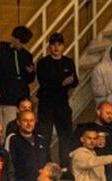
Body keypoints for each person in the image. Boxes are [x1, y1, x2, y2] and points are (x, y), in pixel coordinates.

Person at [36, 33, 78, 169]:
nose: (56, 47)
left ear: (63, 46)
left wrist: (69, 81)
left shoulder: (68, 62)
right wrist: (62, 82)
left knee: (65, 136)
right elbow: (45, 83)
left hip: (62, 104)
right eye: (53, 44)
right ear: (49, 46)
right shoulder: (43, 63)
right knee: (45, 136)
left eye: (59, 44)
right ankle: (45, 165)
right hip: (46, 105)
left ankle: (65, 166)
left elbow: (75, 80)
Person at [0, 26, 35, 129]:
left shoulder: (27, 55)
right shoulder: (1, 54)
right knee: (8, 127)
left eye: (22, 42)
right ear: (13, 38)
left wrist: (31, 72)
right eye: (17, 40)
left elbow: (30, 79)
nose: (18, 43)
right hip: (7, 98)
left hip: (22, 96)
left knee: (24, 126)